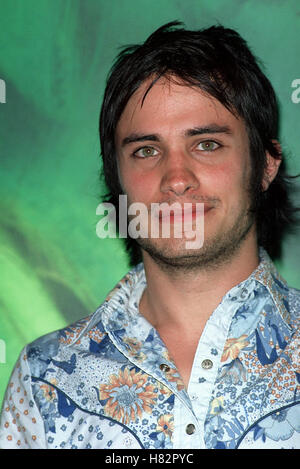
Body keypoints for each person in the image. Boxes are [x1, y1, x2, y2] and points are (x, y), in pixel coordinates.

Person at [0, 21, 299, 450]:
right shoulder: (44, 381)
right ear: (117, 182)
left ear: (267, 164)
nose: (176, 178)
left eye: (207, 144)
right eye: (146, 151)